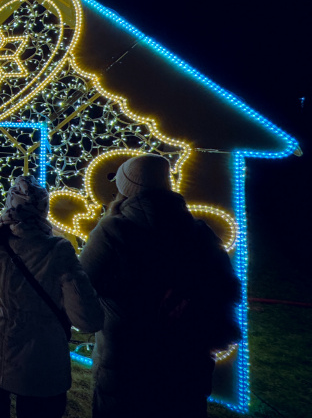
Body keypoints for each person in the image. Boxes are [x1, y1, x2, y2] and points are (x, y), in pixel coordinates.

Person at [79, 154, 242, 418]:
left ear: (126, 188)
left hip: (127, 361)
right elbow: (226, 291)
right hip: (185, 363)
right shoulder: (199, 233)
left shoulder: (113, 231)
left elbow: (80, 284)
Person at [0, 175, 104, 418]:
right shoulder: (58, 250)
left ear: (10, 202)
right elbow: (87, 319)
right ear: (44, 209)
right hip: (38, 361)